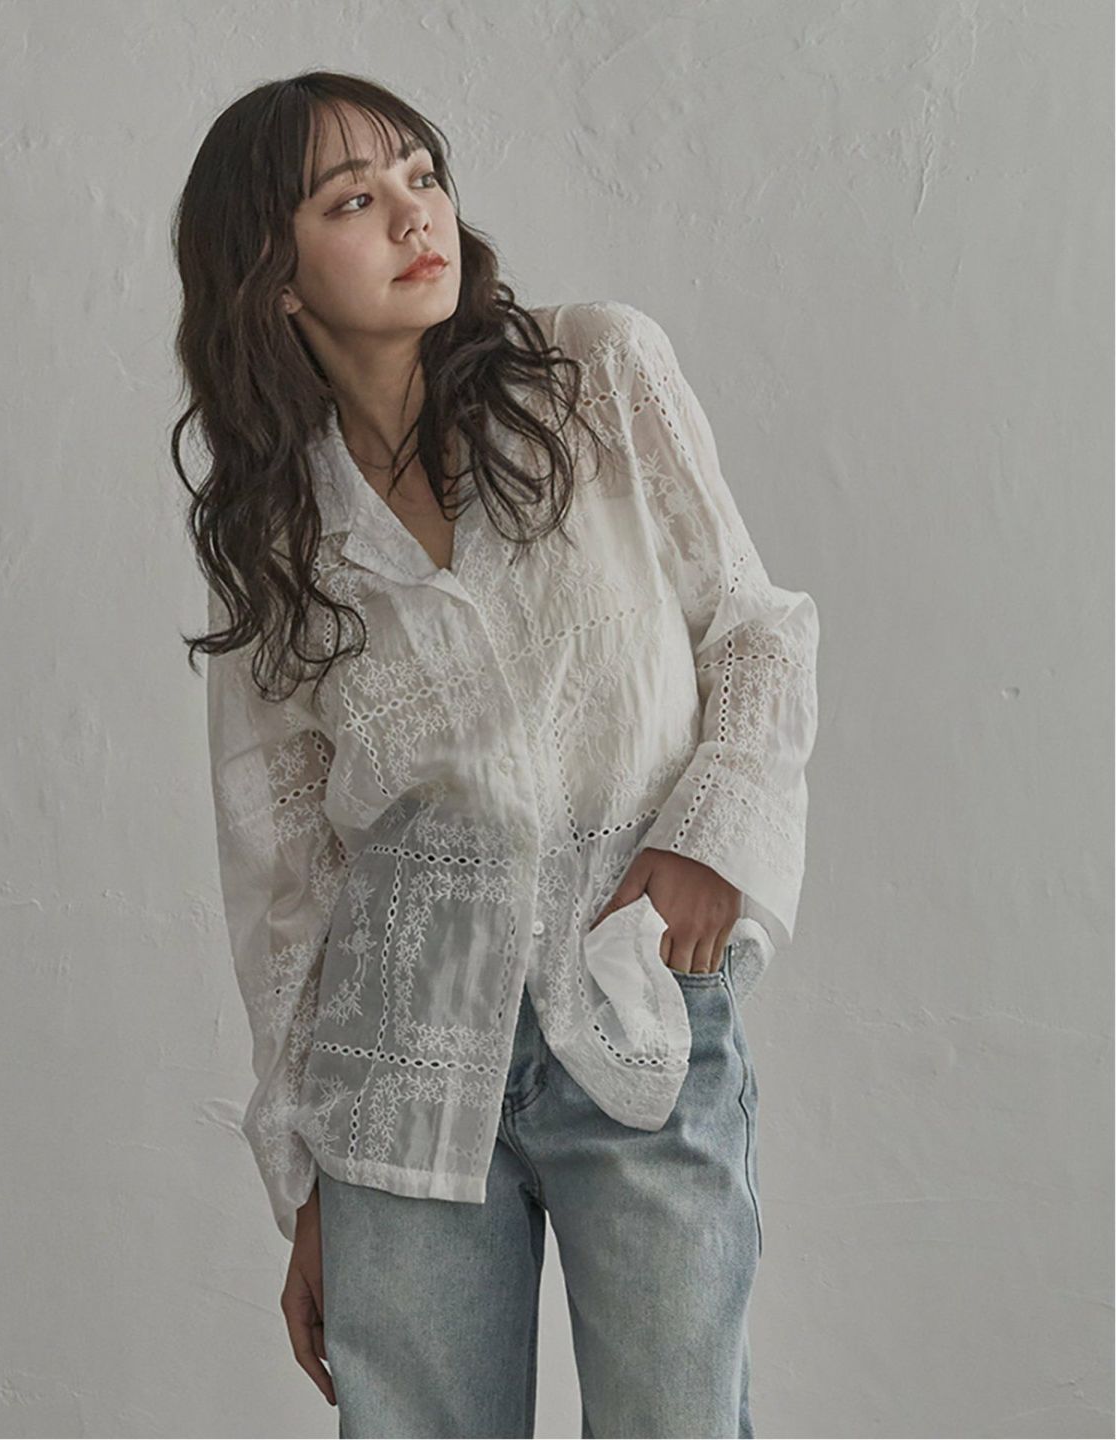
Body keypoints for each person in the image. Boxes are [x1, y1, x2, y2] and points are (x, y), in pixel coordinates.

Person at [174, 70, 819, 1440]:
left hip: (632, 1013)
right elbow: (285, 880)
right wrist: (307, 1186)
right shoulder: (281, 536)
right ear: (273, 280)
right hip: (397, 1071)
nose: (417, 215)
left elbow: (754, 629)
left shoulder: (596, 377)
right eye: (354, 200)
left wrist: (706, 842)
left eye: (422, 175)